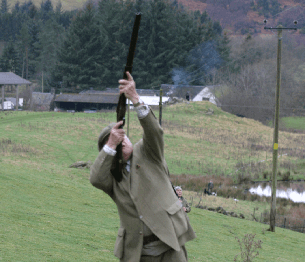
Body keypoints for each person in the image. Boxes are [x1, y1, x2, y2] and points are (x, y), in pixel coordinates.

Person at [90, 72, 196, 262]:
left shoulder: (147, 151)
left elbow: (154, 132)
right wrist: (110, 145)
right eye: (117, 145)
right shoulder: (113, 178)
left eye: (123, 139)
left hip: (170, 243)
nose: (124, 144)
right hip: (140, 251)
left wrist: (136, 99)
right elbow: (96, 179)